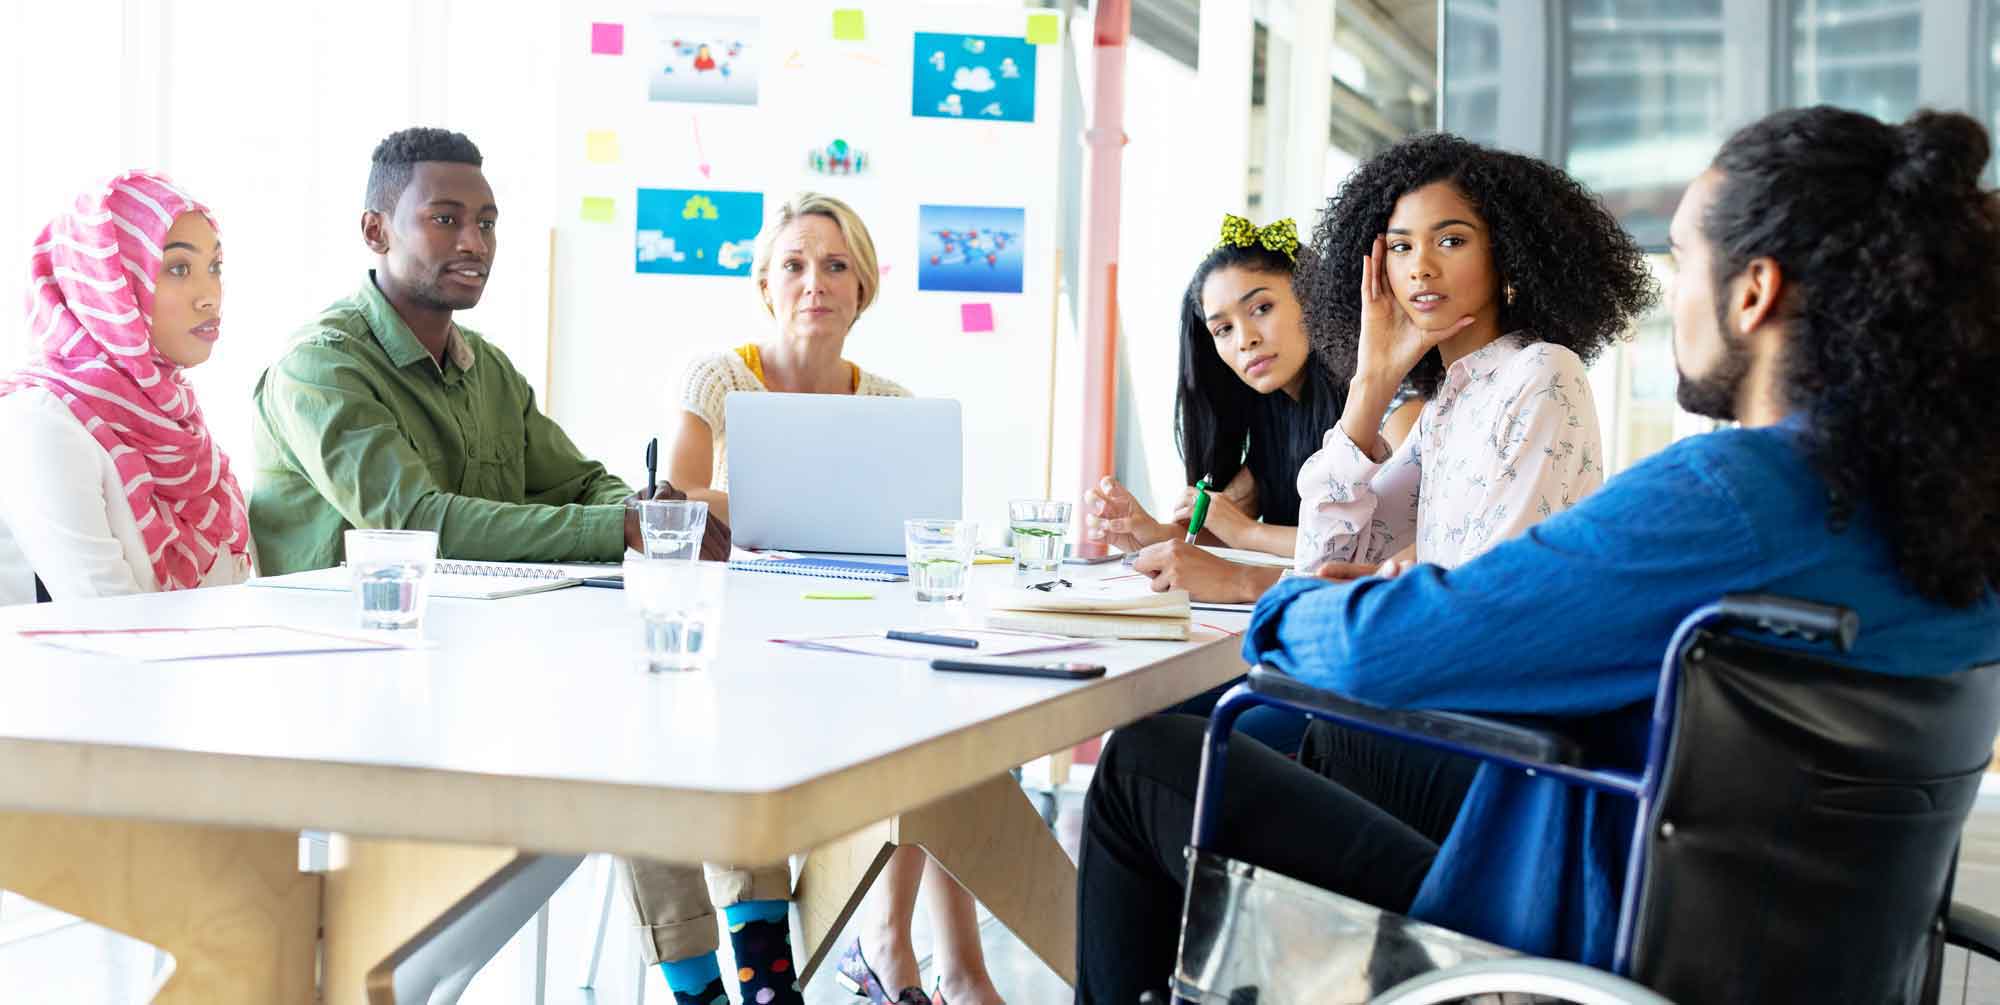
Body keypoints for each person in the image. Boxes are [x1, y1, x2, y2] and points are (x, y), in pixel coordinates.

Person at [1070, 106, 2000, 1004]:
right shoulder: (1945, 521)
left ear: (1753, 292)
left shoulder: (1728, 494)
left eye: (1682, 259)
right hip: (1757, 961)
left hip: (1554, 943)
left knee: (1148, 761)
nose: (1670, 292)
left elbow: (1379, 654)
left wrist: (1290, 605)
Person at [1128, 133, 1655, 598]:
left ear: (1508, 255)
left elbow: (1487, 593)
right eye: (1401, 247)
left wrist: (1246, 581)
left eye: (1450, 241)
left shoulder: (1541, 372)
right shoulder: (1449, 405)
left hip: (1482, 699)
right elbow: (1326, 557)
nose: (1421, 268)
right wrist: (1372, 381)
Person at [249, 128, 657, 574]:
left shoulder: (489, 368)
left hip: (474, 629)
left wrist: (642, 510)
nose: (476, 244)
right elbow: (415, 527)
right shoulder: (318, 367)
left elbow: (581, 485)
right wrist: (616, 525)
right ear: (375, 231)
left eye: (486, 224)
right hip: (341, 636)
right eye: (445, 220)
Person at [1082, 215, 1423, 604]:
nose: (1246, 340)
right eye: (1223, 330)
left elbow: (1384, 554)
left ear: (1312, 298)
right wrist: (1146, 532)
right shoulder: (1275, 420)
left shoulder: (1396, 412)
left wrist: (1249, 534)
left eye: (1261, 307)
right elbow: (1214, 530)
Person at [0, 171, 253, 603]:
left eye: (214, 267)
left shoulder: (177, 421)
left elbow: (238, 593)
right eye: (177, 268)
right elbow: (108, 618)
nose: (209, 295)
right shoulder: (40, 422)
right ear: (104, 283)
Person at [664, 192, 910, 528]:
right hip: (736, 577)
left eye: (836, 266)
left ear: (861, 288)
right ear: (766, 286)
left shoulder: (894, 404)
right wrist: (820, 515)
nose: (814, 284)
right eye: (793, 266)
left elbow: (908, 520)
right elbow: (678, 501)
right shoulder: (716, 378)